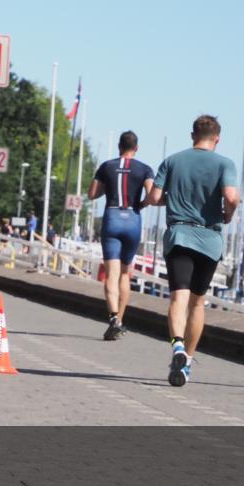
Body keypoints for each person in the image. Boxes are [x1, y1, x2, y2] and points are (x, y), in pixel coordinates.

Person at [143, 115, 239, 387]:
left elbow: (154, 198)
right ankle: (187, 365)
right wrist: (227, 213)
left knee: (178, 298)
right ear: (217, 138)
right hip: (209, 239)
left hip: (180, 236)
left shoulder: (173, 161)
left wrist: (174, 198)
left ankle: (177, 347)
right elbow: (231, 197)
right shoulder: (225, 164)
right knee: (198, 302)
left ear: (192, 135)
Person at [88, 131, 155, 341]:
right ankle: (120, 320)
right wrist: (141, 204)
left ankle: (114, 318)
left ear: (119, 146)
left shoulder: (107, 166)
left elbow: (92, 194)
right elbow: (153, 195)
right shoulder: (144, 168)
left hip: (112, 217)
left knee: (111, 274)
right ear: (136, 148)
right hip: (133, 220)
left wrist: (107, 186)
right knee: (126, 274)